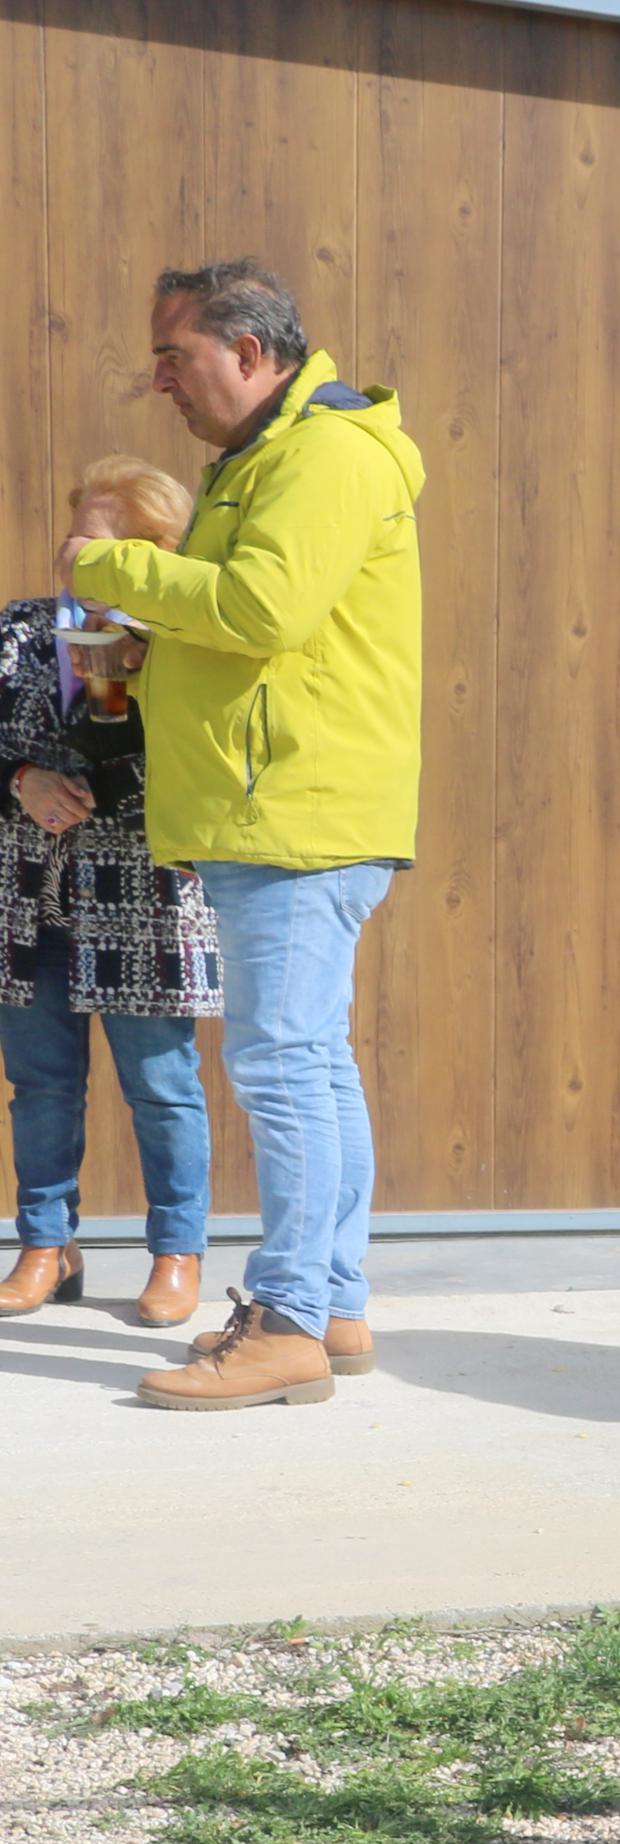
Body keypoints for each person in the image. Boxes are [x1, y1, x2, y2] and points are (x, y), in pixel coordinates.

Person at [67, 260, 421, 1412]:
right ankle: (335, 1300)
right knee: (312, 1061)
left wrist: (115, 568)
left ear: (249, 355)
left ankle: (285, 1322)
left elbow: (266, 609)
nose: (157, 379)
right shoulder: (261, 462)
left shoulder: (322, 456)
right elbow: (248, 622)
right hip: (279, 805)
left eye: (174, 356)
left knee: (280, 1065)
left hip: (293, 811)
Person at [3, 459, 218, 1329]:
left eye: (99, 538)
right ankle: (46, 1248)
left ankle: (177, 1253)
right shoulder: (17, 630)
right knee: (40, 1084)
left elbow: (198, 766)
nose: (75, 552)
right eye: (74, 532)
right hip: (28, 893)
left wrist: (124, 686)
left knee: (162, 1087)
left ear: (151, 551)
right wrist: (19, 778)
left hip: (143, 895)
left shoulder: (181, 643)